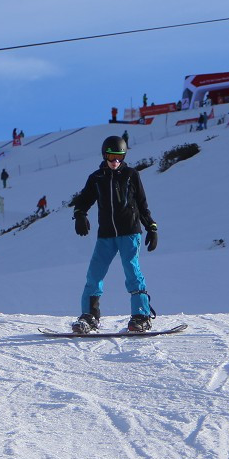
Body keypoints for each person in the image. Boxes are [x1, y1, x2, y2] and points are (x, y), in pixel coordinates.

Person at [71, 135, 158, 333]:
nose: (115, 162)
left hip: (129, 233)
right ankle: (89, 316)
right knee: (94, 274)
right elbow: (83, 200)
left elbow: (142, 204)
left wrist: (151, 227)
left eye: (119, 157)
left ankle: (141, 315)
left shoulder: (131, 175)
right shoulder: (97, 178)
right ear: (104, 155)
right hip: (106, 235)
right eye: (111, 157)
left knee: (132, 272)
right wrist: (80, 215)